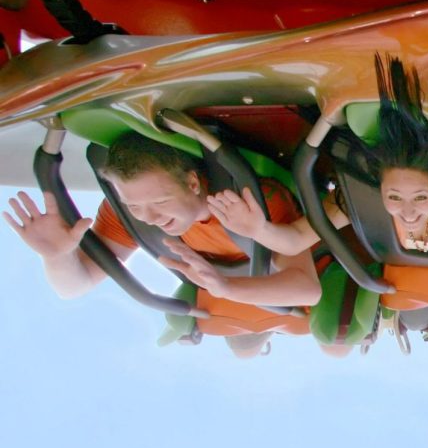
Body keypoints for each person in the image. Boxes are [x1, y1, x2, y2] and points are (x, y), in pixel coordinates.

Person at [3, 133, 321, 356]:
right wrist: (56, 256)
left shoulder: (252, 203)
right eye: (135, 207)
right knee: (242, 348)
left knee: (291, 344)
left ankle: (256, 339)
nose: (150, 217)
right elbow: (73, 286)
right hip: (225, 283)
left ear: (193, 183)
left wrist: (229, 289)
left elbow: (307, 288)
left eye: (161, 201)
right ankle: (250, 340)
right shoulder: (130, 214)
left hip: (303, 261)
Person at [206, 54, 428, 260]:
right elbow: (297, 239)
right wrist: (258, 231)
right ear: (378, 186)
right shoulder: (359, 201)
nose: (407, 212)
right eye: (394, 196)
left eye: (420, 197)